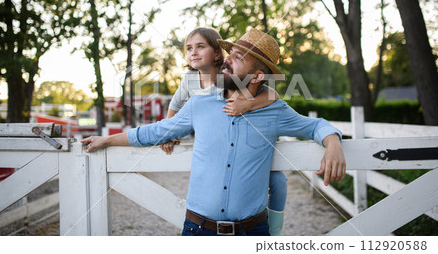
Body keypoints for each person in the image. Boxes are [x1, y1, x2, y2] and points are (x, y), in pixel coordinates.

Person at [82, 28, 346, 236]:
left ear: (256, 77)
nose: (226, 59)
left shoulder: (274, 111)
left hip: (253, 233)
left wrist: (333, 142)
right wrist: (106, 139)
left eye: (238, 57)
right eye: (229, 54)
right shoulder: (198, 104)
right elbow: (154, 132)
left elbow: (315, 125)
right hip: (198, 231)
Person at [160, 27, 287, 235]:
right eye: (189, 48)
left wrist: (248, 105)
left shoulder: (227, 74)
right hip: (216, 138)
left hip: (248, 137)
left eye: (201, 47)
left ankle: (275, 228)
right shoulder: (190, 79)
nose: (193, 52)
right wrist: (170, 133)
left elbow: (273, 95)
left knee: (278, 180)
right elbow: (174, 107)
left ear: (217, 54)